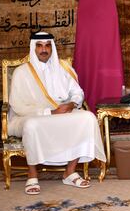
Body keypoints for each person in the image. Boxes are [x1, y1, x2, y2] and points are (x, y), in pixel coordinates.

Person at [8, 32, 106, 195]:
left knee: (87, 118)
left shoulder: (62, 68)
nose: (44, 50)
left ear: (52, 47)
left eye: (47, 45)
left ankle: (70, 171)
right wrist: (50, 111)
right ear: (34, 48)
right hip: (33, 116)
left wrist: (72, 103)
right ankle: (32, 174)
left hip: (61, 113)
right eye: (39, 46)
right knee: (31, 126)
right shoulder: (21, 72)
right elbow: (18, 106)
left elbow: (77, 92)